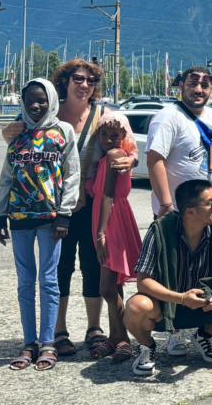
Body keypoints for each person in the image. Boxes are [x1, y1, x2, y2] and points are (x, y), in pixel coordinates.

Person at [2, 58, 116, 357]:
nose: (85, 85)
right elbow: (13, 142)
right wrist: (6, 134)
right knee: (60, 268)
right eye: (78, 79)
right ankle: (59, 331)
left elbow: (124, 145)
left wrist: (125, 158)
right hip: (52, 207)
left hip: (89, 202)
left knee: (93, 264)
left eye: (91, 81)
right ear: (63, 82)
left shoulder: (103, 114)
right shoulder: (39, 110)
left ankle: (94, 328)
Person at [144, 65, 212, 354]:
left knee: (211, 269)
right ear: (181, 86)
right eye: (193, 83)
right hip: (177, 212)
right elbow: (155, 160)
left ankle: (211, 329)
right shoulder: (168, 117)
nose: (199, 89)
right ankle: (174, 332)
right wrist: (165, 204)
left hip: (208, 210)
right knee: (173, 271)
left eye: (205, 84)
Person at [124, 179, 212, 377]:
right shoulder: (160, 229)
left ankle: (204, 336)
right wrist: (180, 298)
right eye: (211, 203)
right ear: (190, 211)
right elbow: (143, 281)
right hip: (165, 306)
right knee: (136, 307)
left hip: (206, 305)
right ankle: (147, 347)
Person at [0, 78, 79, 371]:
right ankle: (29, 342)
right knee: (25, 281)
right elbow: (7, 176)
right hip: (19, 219)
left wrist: (65, 214)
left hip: (50, 220)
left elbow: (71, 176)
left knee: (49, 280)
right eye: (30, 99)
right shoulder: (16, 133)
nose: (35, 105)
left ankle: (47, 343)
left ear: (52, 100)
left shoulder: (62, 131)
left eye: (41, 99)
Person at [90, 112, 143, 362]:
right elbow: (96, 190)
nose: (109, 140)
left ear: (124, 136)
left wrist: (101, 233)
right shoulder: (104, 159)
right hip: (104, 218)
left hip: (111, 221)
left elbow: (108, 195)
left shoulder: (115, 155)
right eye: (104, 134)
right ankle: (114, 337)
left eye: (115, 135)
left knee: (107, 288)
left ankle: (123, 338)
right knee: (113, 284)